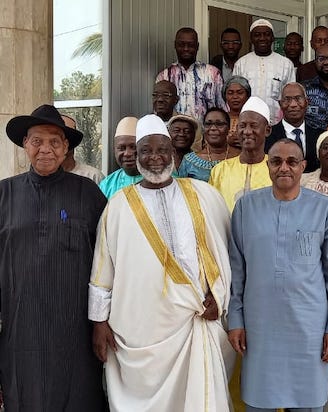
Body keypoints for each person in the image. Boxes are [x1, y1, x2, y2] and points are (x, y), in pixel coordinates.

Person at [88, 114, 235, 412]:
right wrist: (99, 322)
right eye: (146, 151)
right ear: (137, 155)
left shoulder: (204, 195)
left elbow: (224, 252)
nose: (154, 158)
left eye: (161, 150)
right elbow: (103, 269)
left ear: (173, 153)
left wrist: (219, 297)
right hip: (139, 327)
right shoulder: (117, 206)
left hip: (194, 321)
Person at [228, 138, 328, 412]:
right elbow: (237, 270)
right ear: (267, 165)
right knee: (259, 402)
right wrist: (235, 319)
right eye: (276, 161)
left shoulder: (324, 208)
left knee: (308, 402)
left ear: (303, 166)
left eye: (292, 162)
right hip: (260, 327)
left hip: (309, 328)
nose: (284, 168)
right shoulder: (246, 207)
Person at [0, 104, 108, 411]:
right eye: (37, 141)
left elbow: (108, 261)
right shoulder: (4, 195)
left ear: (65, 149)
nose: (45, 149)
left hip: (75, 332)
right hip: (19, 331)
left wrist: (103, 322)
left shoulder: (88, 194)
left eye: (55, 142)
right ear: (25, 145)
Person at [209, 96, 273, 212]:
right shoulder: (220, 171)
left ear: (267, 130)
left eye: (254, 126)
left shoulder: (276, 169)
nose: (247, 132)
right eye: (242, 126)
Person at [156, 27, 226, 122]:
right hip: (174, 134)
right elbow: (158, 111)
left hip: (205, 134)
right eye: (181, 44)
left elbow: (222, 108)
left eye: (190, 45)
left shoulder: (213, 74)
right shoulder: (164, 76)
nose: (186, 49)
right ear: (175, 45)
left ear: (197, 46)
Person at [233, 19, 295, 125]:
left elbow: (291, 96)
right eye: (257, 35)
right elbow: (235, 96)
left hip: (277, 124)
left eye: (266, 34)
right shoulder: (241, 64)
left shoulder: (286, 64)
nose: (262, 38)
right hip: (248, 124)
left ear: (272, 38)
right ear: (251, 39)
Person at [265, 82, 325, 172]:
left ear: (306, 102)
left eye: (298, 99)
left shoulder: (320, 136)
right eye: (287, 99)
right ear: (280, 104)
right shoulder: (268, 136)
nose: (293, 104)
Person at [178, 108, 240, 181]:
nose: (213, 128)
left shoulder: (240, 157)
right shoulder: (189, 161)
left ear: (228, 128)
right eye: (208, 124)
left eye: (219, 124)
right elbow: (182, 189)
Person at [99, 116, 143, 198]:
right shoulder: (106, 185)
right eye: (122, 148)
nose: (127, 153)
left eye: (133, 147)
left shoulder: (161, 181)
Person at [60, 114, 105, 183]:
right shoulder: (43, 177)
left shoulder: (93, 176)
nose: (63, 143)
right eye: (54, 140)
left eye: (67, 137)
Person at [223, 75, 251, 150]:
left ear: (247, 96)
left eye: (240, 93)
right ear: (225, 96)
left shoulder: (254, 119)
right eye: (230, 93)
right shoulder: (220, 118)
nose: (235, 97)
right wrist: (226, 141)